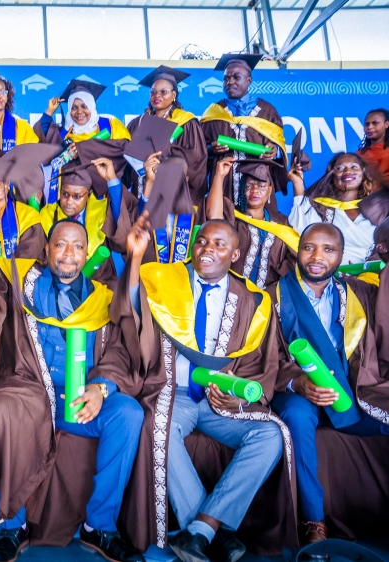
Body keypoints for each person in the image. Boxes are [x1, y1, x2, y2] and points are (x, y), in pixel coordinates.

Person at [0, 220, 144, 562]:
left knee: (128, 413)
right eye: (61, 245)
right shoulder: (23, 285)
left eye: (78, 246)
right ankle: (11, 525)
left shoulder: (101, 298)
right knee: (3, 408)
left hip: (77, 402)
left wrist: (101, 388)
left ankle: (99, 526)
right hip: (29, 395)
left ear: (86, 253)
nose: (69, 254)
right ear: (47, 250)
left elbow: (120, 350)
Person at [123, 218, 289, 562]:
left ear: (235, 253)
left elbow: (264, 363)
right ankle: (210, 531)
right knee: (159, 428)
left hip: (222, 401)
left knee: (272, 435)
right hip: (174, 391)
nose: (207, 249)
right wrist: (136, 259)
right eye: (202, 241)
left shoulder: (252, 301)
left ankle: (200, 530)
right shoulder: (167, 282)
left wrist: (240, 393)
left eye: (219, 244)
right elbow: (132, 309)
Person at [269, 223, 388, 546]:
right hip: (296, 393)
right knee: (296, 415)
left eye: (328, 249)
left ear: (341, 255)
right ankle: (314, 521)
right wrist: (296, 382)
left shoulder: (359, 293)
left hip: (351, 393)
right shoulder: (272, 296)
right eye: (309, 247)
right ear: (298, 249)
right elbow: (264, 359)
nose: (317, 256)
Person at [201, 54, 287, 210]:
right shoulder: (213, 113)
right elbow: (199, 150)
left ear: (249, 81)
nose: (230, 82)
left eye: (236, 77)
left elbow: (279, 146)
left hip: (257, 185)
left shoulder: (267, 112)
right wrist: (211, 149)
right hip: (224, 186)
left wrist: (275, 151)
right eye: (226, 79)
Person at [204, 159, 298, 290]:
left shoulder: (281, 222)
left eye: (261, 186)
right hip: (232, 290)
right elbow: (213, 217)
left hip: (269, 296)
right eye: (248, 186)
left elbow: (294, 257)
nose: (255, 191)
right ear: (242, 190)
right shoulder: (232, 215)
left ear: (269, 190)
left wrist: (277, 283)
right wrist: (219, 176)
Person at [39, 159, 132, 285]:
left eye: (76, 196)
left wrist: (111, 179)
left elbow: (120, 234)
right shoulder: (48, 214)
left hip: (99, 278)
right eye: (65, 194)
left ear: (89, 194)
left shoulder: (101, 211)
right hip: (58, 279)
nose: (69, 201)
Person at [127, 66, 207, 200]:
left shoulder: (186, 123)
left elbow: (195, 160)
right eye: (153, 92)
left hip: (171, 193)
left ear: (174, 95)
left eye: (163, 92)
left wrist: (163, 157)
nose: (157, 96)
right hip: (141, 191)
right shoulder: (137, 123)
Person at [289, 153, 381, 265]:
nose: (347, 171)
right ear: (332, 174)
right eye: (340, 168)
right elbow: (300, 224)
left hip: (369, 276)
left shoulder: (379, 210)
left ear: (363, 173)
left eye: (354, 167)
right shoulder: (321, 209)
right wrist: (297, 182)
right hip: (326, 275)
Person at [358, 108, 389, 182]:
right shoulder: (359, 153)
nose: (369, 127)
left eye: (375, 123)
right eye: (367, 124)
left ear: (387, 124)